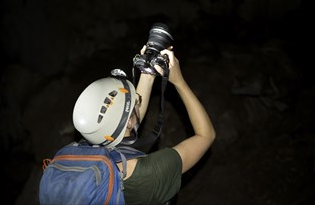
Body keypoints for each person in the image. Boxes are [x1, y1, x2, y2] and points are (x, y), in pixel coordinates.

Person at [72, 45, 216, 205]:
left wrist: (148, 74)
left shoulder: (82, 153)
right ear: (129, 122)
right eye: (134, 101)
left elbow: (127, 120)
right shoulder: (146, 174)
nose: (137, 100)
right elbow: (206, 135)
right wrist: (179, 81)